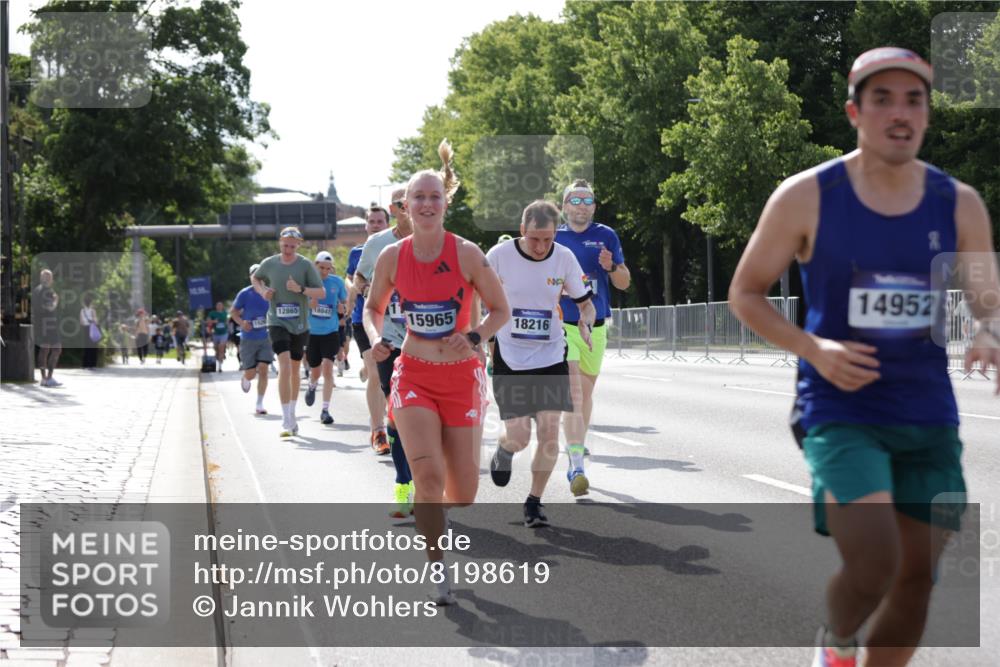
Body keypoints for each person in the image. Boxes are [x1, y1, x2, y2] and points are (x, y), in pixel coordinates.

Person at [728, 47, 1000, 667]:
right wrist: (812, 347)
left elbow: (988, 298)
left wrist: (991, 329)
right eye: (883, 99)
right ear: (855, 111)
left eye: (914, 100)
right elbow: (745, 293)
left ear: (928, 114)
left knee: (917, 580)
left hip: (928, 414)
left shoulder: (958, 203)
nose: (899, 113)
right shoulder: (805, 197)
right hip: (838, 407)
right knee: (876, 561)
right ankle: (839, 642)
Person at [365, 139, 510, 604]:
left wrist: (473, 336)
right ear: (405, 207)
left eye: (434, 197)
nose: (427, 204)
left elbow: (501, 310)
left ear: (445, 203)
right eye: (418, 198)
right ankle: (437, 569)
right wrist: (375, 340)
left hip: (461, 377)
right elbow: (372, 308)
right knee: (426, 479)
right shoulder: (392, 257)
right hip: (414, 376)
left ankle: (440, 506)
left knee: (462, 492)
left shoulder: (468, 253)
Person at [487, 200, 595, 525]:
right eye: (534, 238)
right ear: (522, 230)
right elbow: (477, 298)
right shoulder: (498, 257)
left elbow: (585, 303)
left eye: (548, 239)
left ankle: (534, 501)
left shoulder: (564, 258)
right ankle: (505, 449)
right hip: (509, 355)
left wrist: (586, 321)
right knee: (519, 437)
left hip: (550, 356)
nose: (541, 246)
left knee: (549, 436)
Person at [556, 178, 631, 493]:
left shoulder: (606, 236)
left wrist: (612, 266)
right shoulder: (554, 238)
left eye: (588, 200)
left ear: (595, 207)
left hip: (596, 326)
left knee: (584, 396)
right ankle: (576, 466)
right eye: (576, 200)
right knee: (573, 393)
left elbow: (624, 283)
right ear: (565, 206)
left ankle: (576, 444)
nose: (582, 206)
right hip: (562, 325)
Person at [358, 187, 416, 516]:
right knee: (397, 414)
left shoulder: (443, 244)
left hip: (430, 345)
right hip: (390, 342)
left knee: (427, 417)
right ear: (395, 209)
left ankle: (426, 486)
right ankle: (403, 482)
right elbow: (361, 282)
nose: (411, 207)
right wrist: (374, 333)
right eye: (403, 203)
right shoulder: (378, 244)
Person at [252, 226, 325, 437]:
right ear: (279, 242)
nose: (288, 249)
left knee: (294, 369)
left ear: (299, 245)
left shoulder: (305, 265)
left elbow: (320, 292)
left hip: (300, 325)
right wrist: (263, 291)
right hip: (276, 321)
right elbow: (256, 278)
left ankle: (292, 413)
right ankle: (285, 418)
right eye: (285, 245)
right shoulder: (270, 263)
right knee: (283, 364)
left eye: (292, 246)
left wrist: (300, 289)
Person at [346, 205, 392, 454]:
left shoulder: (400, 249)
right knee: (376, 374)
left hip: (395, 320)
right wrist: (359, 289)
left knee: (393, 376)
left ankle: (399, 424)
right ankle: (378, 431)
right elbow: (351, 277)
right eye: (371, 221)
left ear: (387, 224)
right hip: (364, 319)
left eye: (380, 221)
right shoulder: (358, 252)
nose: (375, 224)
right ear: (366, 225)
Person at [305, 251, 348, 425]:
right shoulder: (307, 283)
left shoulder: (336, 282)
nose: (324, 272)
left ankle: (325, 410)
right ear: (315, 266)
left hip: (331, 332)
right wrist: (309, 304)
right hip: (311, 333)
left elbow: (344, 305)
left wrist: (341, 309)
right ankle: (312, 385)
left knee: (328, 369)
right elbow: (300, 304)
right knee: (315, 371)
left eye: (328, 269)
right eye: (321, 268)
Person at [231, 263, 274, 416]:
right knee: (251, 373)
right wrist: (242, 323)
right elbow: (233, 312)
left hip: (265, 337)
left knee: (263, 369)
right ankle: (246, 377)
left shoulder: (270, 292)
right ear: (251, 277)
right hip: (248, 338)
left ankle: (259, 403)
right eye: (255, 275)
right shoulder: (245, 293)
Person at [32, 269, 62, 386]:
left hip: (43, 324)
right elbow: (50, 308)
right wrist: (56, 300)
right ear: (41, 278)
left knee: (45, 350)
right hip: (47, 324)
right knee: (55, 349)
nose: (48, 279)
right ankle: (47, 378)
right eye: (46, 277)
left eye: (49, 277)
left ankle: (45, 378)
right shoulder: (45, 291)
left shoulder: (38, 290)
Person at [206, 301, 229, 372]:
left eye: (220, 305)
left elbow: (228, 321)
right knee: (216, 349)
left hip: (224, 333)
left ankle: (220, 366)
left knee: (221, 347)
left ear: (222, 306)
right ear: (216, 307)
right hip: (215, 333)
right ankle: (218, 358)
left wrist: (227, 323)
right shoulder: (212, 313)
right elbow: (208, 321)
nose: (219, 306)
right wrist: (213, 321)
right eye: (218, 305)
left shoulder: (225, 313)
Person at [79, 293, 99, 369]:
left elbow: (81, 322)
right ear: (91, 302)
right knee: (93, 346)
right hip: (92, 328)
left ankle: (85, 364)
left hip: (85, 329)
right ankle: (92, 364)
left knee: (86, 346)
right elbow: (96, 321)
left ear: (84, 302)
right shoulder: (92, 310)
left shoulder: (82, 311)